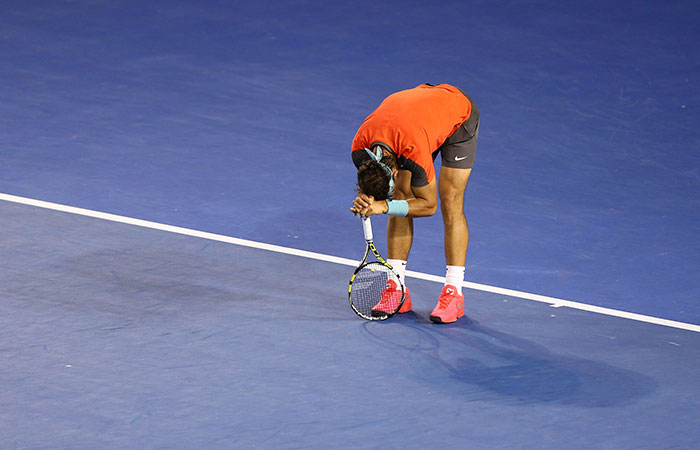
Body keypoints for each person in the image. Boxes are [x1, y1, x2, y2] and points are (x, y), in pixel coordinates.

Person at [350, 83, 479, 324]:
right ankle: (396, 286)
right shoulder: (360, 149)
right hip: (416, 118)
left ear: (396, 170)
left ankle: (454, 292)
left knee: (450, 200)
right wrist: (367, 200)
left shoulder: (413, 152)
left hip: (456, 114)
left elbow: (428, 206)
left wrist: (384, 206)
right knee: (400, 195)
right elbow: (372, 186)